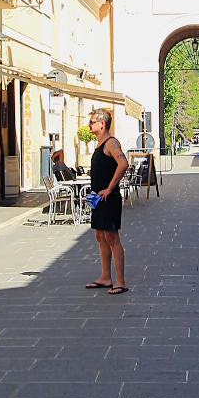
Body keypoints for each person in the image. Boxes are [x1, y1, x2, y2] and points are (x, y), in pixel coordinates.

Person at [85, 108, 130, 293]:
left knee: (112, 237)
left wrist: (110, 188)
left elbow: (123, 164)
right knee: (99, 236)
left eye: (92, 121)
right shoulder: (99, 144)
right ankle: (105, 277)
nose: (89, 124)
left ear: (102, 124)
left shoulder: (110, 143)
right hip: (97, 198)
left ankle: (120, 281)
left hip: (108, 198)